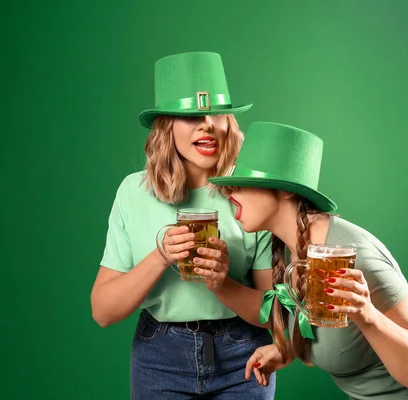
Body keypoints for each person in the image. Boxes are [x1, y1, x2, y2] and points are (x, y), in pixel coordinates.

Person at [206, 121, 408, 399]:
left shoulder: (351, 254)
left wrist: (368, 316)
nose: (230, 193)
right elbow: (317, 326)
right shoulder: (290, 249)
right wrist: (289, 348)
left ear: (287, 190)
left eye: (243, 184)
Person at [91, 52, 275, 399]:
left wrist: (222, 284)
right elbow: (103, 311)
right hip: (159, 356)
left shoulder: (254, 194)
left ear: (229, 123)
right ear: (167, 127)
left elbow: (273, 314)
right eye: (190, 116)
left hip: (245, 357)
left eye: (217, 114)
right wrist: (160, 257)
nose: (207, 124)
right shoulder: (134, 191)